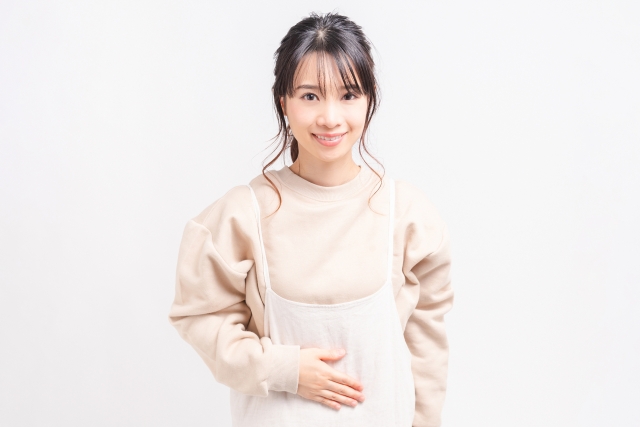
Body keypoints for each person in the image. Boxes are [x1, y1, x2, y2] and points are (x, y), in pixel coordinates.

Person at [168, 11, 454, 427]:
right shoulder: (243, 214)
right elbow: (198, 317)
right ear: (282, 101)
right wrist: (285, 369)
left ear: (370, 99)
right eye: (310, 96)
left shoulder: (407, 216)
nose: (330, 118)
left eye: (348, 95)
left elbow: (426, 351)